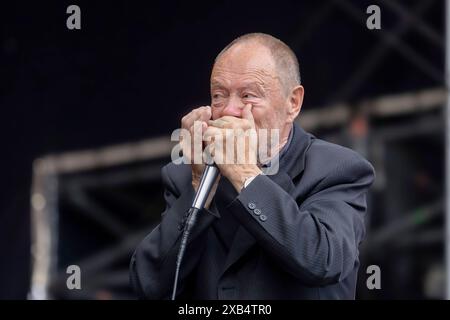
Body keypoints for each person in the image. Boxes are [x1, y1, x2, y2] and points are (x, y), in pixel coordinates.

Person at [129, 33, 375, 299]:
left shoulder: (337, 169)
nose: (229, 110)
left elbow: (322, 261)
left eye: (248, 95)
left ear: (293, 103)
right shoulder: (185, 176)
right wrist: (200, 189)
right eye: (219, 95)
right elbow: (147, 283)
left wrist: (245, 173)